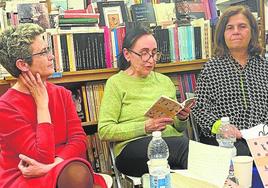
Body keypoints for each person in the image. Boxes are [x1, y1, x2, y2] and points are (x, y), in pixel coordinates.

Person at [0, 23, 107, 188]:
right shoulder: (6, 107)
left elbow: (79, 139)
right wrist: (42, 105)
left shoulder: (61, 93)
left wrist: (53, 165)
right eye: (44, 52)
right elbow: (41, 156)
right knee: (77, 177)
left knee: (76, 174)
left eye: (48, 50)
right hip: (25, 175)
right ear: (23, 65)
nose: (52, 56)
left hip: (63, 166)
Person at [98, 25, 192, 177]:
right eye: (144, 53)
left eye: (154, 53)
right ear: (127, 54)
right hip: (132, 149)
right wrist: (145, 127)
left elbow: (179, 128)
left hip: (171, 144)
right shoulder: (116, 83)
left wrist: (182, 118)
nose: (151, 60)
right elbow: (104, 131)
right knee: (187, 149)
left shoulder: (165, 81)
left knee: (193, 152)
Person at [192, 5, 268, 156]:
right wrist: (220, 127)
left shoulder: (264, 66)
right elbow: (199, 108)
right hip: (226, 140)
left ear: (252, 32)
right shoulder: (211, 68)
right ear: (222, 34)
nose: (236, 32)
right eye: (230, 28)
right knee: (244, 154)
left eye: (242, 26)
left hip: (262, 137)